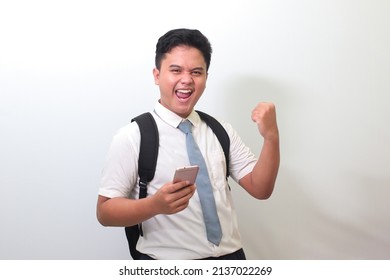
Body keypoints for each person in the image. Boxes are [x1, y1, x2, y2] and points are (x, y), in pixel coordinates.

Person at [96, 28, 280, 260]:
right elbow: (104, 212)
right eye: (176, 70)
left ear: (205, 77)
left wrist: (271, 137)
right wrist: (155, 205)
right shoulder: (132, 137)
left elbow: (261, 189)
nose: (186, 80)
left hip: (231, 259)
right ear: (156, 75)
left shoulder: (220, 130)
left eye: (196, 72)